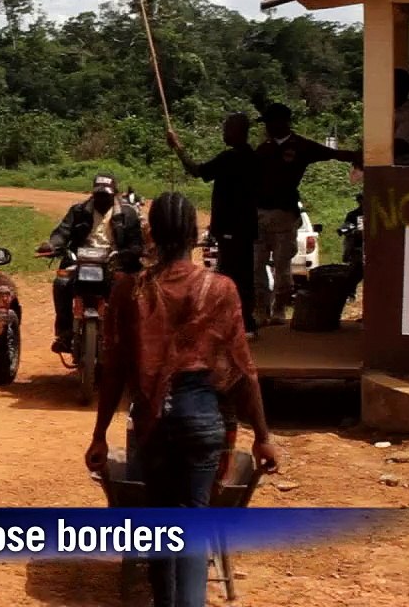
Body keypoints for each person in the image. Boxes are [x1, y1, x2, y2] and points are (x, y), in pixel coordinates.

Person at [86, 192, 280, 607]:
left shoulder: (129, 291)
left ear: (152, 233)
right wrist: (262, 435)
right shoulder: (220, 288)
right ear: (194, 234)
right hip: (202, 417)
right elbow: (243, 372)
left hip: (152, 420)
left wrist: (100, 435)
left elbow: (115, 371)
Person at [252, 103, 361, 326]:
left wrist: (358, 156)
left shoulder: (300, 146)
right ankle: (261, 309)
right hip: (259, 213)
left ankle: (279, 308)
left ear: (282, 122)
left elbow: (331, 153)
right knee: (257, 265)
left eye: (270, 123)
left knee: (282, 266)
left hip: (284, 214)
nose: (268, 128)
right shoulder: (263, 149)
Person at [166, 113, 259, 338]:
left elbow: (198, 172)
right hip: (246, 227)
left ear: (238, 131)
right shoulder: (253, 157)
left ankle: (239, 324)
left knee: (230, 276)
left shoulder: (231, 158)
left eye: (227, 128)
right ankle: (246, 323)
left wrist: (178, 148)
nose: (223, 132)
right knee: (244, 274)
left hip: (231, 228)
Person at [36, 173, 145, 354]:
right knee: (61, 283)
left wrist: (130, 253)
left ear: (115, 194)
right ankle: (65, 333)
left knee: (130, 290)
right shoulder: (78, 211)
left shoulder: (128, 214)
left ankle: (128, 336)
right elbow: (62, 232)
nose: (102, 199)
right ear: (93, 194)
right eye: (99, 194)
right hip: (80, 262)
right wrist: (52, 245)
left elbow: (136, 242)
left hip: (115, 264)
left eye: (106, 195)